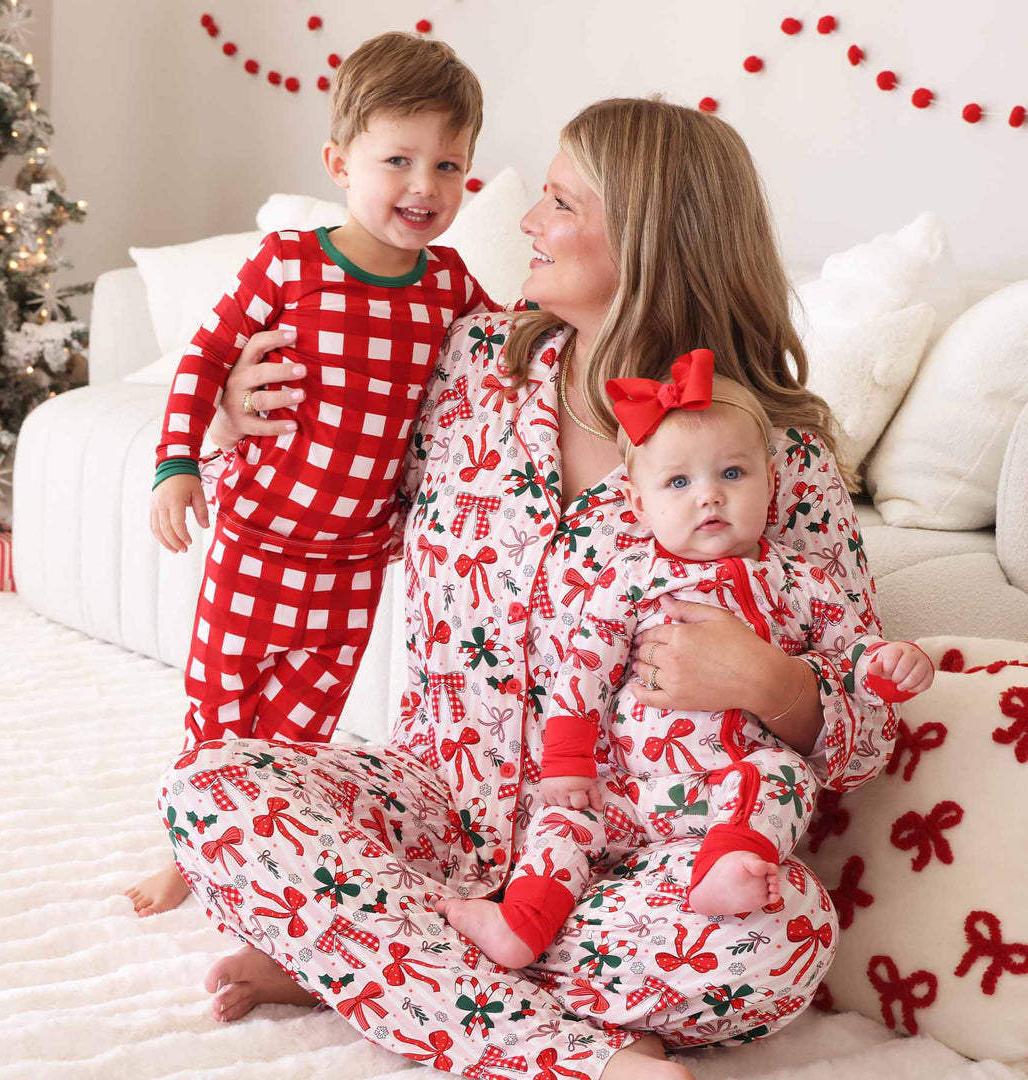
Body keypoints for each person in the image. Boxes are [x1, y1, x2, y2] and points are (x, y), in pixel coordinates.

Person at [158, 97, 903, 1080]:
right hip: (435, 807)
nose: (525, 223)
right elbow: (338, 472)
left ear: (644, 234)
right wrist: (227, 414)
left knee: (782, 937)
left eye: (558, 201)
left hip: (626, 856)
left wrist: (776, 689)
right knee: (211, 793)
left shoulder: (776, 451)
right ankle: (562, 1052)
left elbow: (875, 726)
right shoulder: (471, 364)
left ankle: (360, 960)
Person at [128, 32, 496, 919]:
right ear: (339, 161)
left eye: (449, 166)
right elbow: (205, 358)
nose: (424, 187)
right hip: (256, 543)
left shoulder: (448, 286)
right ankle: (190, 847)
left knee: (297, 738)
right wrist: (177, 461)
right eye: (398, 160)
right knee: (219, 712)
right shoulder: (288, 262)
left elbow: (511, 350)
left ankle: (253, 865)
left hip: (356, 563)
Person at [436, 356, 933, 968]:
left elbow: (847, 648)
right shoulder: (632, 582)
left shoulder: (798, 580)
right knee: (562, 825)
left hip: (724, 794)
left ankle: (727, 864)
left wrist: (888, 662)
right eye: (678, 483)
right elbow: (583, 670)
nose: (710, 497)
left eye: (732, 473)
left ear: (770, 483)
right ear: (637, 506)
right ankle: (523, 922)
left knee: (782, 775)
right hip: (623, 788)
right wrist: (568, 762)